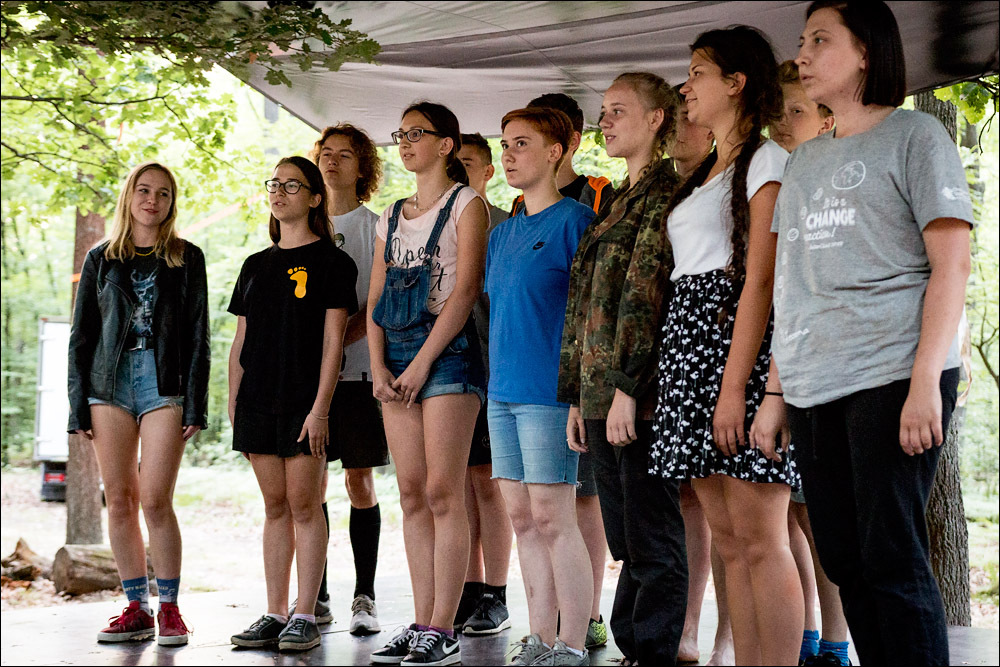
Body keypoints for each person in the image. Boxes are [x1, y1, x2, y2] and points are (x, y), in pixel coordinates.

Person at [762, 2, 974, 664]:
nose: (803, 53)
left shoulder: (915, 136)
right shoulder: (802, 162)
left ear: (865, 53)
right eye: (802, 41)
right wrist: (775, 393)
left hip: (893, 374)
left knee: (891, 556)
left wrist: (925, 383)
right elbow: (789, 286)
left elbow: (952, 264)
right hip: (812, 384)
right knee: (844, 557)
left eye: (821, 40)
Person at [650, 26, 803, 666]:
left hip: (734, 351)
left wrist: (738, 387)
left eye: (697, 73)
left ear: (736, 83)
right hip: (688, 352)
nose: (686, 87)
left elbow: (761, 281)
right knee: (729, 540)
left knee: (762, 537)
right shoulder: (705, 171)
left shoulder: (766, 162)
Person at [560, 72, 687, 667]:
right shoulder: (614, 199)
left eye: (618, 110)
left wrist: (627, 389)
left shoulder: (668, 192)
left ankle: (653, 650)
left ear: (657, 119)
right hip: (597, 391)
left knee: (651, 535)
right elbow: (583, 304)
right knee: (625, 539)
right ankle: (634, 647)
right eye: (603, 111)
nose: (604, 121)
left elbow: (646, 298)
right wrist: (575, 396)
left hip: (637, 393)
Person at [68, 161, 209, 647]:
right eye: (144, 190)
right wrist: (76, 406)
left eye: (163, 193)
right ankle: (137, 609)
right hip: (108, 385)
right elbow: (81, 336)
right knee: (121, 498)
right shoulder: (101, 258)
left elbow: (199, 336)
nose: (152, 200)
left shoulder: (187, 258)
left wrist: (196, 404)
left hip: (163, 383)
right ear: (129, 196)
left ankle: (169, 609)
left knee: (155, 499)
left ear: (172, 203)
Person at [367, 102, 488, 667]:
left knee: (443, 491)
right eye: (401, 133)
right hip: (394, 355)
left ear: (445, 145)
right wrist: (379, 367)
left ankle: (444, 626)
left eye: (417, 133)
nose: (405, 142)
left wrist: (421, 365)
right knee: (411, 492)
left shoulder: (467, 204)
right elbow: (374, 299)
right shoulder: (391, 215)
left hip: (447, 354)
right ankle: (420, 621)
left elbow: (465, 293)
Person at [229, 156, 358, 652]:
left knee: (306, 505)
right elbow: (240, 342)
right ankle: (274, 612)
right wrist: (234, 402)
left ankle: (306, 614)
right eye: (274, 184)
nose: (279, 192)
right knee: (274, 507)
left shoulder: (333, 262)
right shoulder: (254, 265)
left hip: (306, 403)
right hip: (257, 402)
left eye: (291, 185)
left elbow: (333, 344)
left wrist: (320, 409)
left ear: (315, 198)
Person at [489, 106, 596, 666]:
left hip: (549, 395)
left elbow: (590, 315)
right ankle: (539, 638)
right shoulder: (501, 234)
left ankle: (573, 643)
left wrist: (579, 394)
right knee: (522, 520)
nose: (508, 154)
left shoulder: (577, 221)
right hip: (501, 393)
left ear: (556, 152)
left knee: (555, 518)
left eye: (521, 144)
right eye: (505, 144)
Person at [767, 60, 850, 667]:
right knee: (790, 515)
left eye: (795, 111)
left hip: (826, 369)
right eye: (777, 111)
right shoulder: (778, 175)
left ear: (825, 119)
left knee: (821, 518)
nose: (781, 122)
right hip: (777, 368)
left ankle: (839, 643)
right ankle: (805, 632)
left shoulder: (836, 179)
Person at [522, 92, 611, 650]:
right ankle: (549, 619)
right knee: (538, 511)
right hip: (527, 380)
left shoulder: (596, 197)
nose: (515, 152)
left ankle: (591, 613)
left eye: (530, 138)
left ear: (568, 142)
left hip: (578, 380)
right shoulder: (518, 207)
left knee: (584, 497)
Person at [303, 123, 390, 635]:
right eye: (326, 153)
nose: (333, 161)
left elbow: (375, 304)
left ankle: (365, 596)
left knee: (359, 481)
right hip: (307, 380)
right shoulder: (301, 223)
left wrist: (335, 346)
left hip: (358, 374)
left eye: (345, 155)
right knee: (308, 485)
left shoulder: (376, 227)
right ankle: (315, 596)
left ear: (363, 168)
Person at [667, 95, 737, 667]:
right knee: (692, 496)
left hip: (725, 342)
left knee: (739, 513)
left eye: (686, 115)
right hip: (676, 350)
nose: (678, 126)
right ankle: (688, 626)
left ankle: (729, 637)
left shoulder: (745, 168)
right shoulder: (674, 189)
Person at [453, 132, 514, 635]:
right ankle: (468, 588)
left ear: (489, 171)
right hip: (446, 374)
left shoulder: (502, 224)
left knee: (488, 485)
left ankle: (497, 592)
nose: (458, 170)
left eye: (468, 163)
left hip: (493, 372)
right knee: (456, 485)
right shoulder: (430, 222)